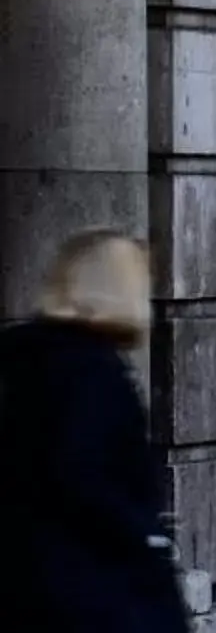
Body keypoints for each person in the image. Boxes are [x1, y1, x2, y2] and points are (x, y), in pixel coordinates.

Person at [0, 230, 189, 632]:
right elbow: (84, 477)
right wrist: (144, 539)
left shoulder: (21, 360)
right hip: (93, 596)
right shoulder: (93, 373)